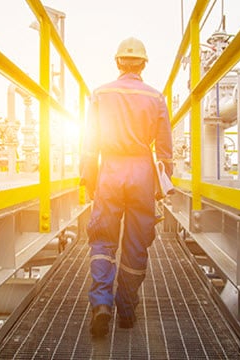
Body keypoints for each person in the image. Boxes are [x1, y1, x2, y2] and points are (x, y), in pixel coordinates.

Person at [80, 36, 173, 337]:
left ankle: (102, 305)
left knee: (103, 238)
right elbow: (164, 146)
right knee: (136, 243)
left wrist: (90, 179)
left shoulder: (100, 94)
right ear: (144, 64)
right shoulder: (156, 97)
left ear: (118, 62)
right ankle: (128, 309)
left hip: (110, 169)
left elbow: (90, 142)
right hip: (142, 171)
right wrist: (162, 182)